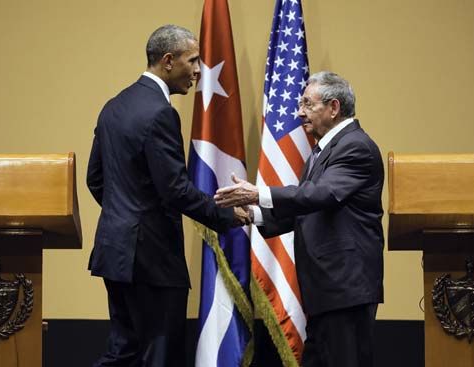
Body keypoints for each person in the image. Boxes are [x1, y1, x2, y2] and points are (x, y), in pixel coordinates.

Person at [87, 24, 249, 367]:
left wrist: (126, 217)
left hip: (115, 252)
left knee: (123, 351)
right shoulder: (161, 113)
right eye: (192, 61)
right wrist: (226, 215)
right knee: (158, 355)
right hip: (153, 259)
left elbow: (96, 180)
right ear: (167, 60)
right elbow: (175, 190)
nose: (197, 71)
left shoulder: (113, 106)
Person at [215, 71, 384, 367]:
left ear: (333, 107)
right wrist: (252, 215)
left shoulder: (355, 146)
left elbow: (321, 195)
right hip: (326, 290)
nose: (299, 112)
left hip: (345, 290)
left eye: (307, 104)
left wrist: (258, 194)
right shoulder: (324, 150)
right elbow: (307, 209)